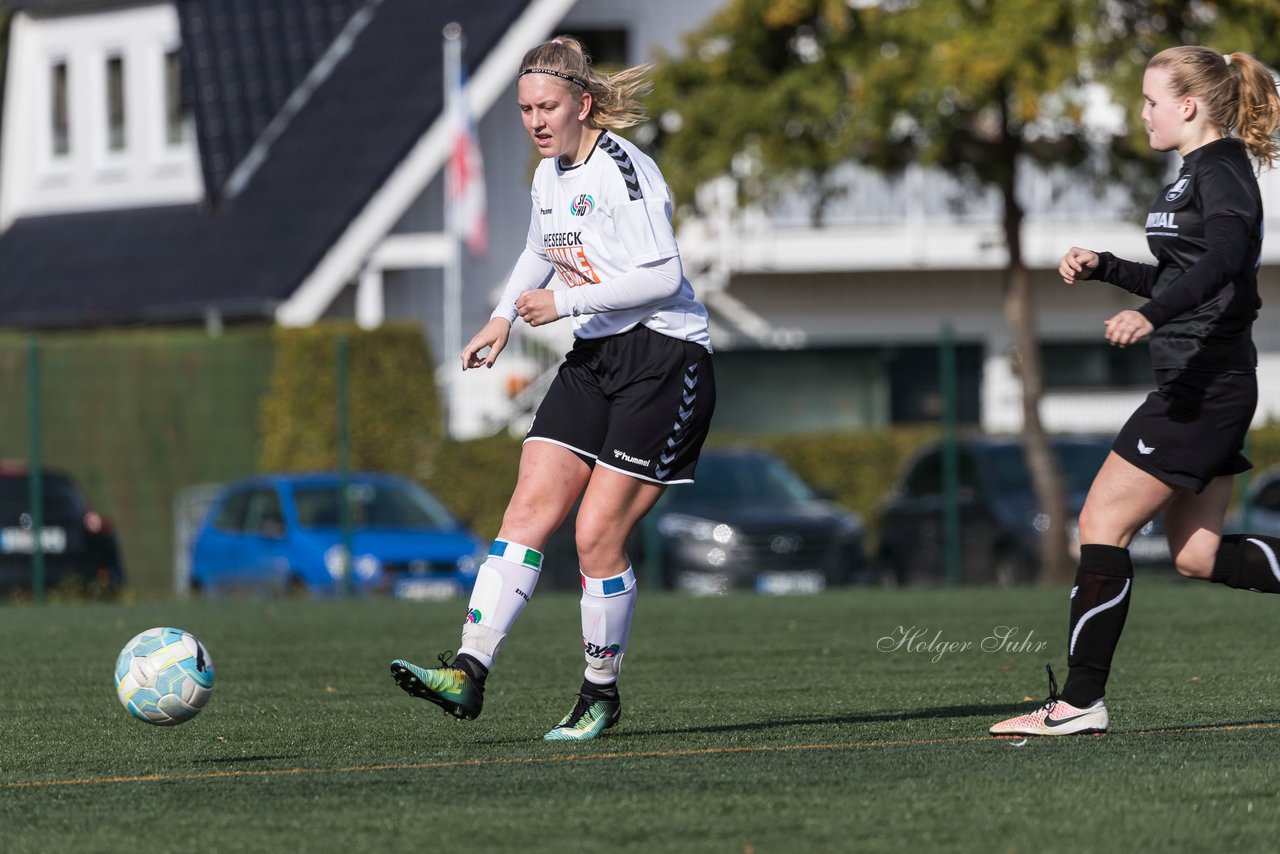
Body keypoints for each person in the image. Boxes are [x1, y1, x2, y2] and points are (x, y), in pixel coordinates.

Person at [390, 36, 715, 741]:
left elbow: (662, 276)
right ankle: (468, 672)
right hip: (596, 357)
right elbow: (541, 249)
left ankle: (600, 694)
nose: (535, 121)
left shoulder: (625, 170)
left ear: (582, 104)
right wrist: (503, 317)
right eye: (524, 109)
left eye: (548, 107)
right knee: (527, 511)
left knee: (596, 537)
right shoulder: (549, 175)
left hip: (666, 361)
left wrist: (564, 305)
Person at [991, 46, 1280, 737]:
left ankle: (1080, 703)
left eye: (1151, 101)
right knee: (1196, 556)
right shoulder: (1192, 174)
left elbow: (1224, 263)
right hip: (1200, 381)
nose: (1142, 113)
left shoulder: (1224, 170)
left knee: (1100, 524)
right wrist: (1108, 268)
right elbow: (1186, 273)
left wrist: (1149, 316)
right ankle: (1081, 704)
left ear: (1188, 105)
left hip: (1203, 386)